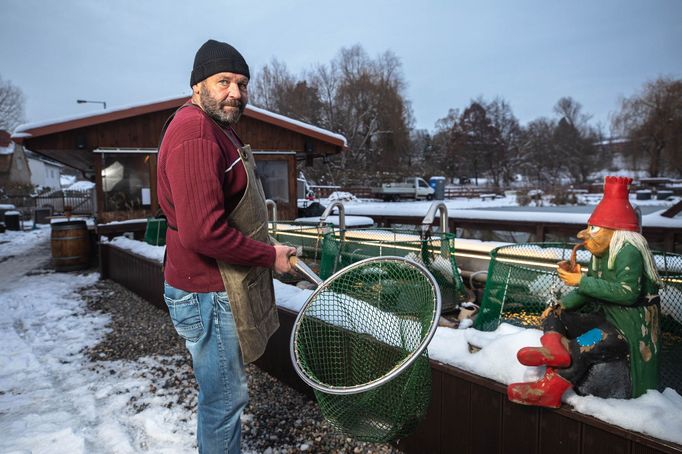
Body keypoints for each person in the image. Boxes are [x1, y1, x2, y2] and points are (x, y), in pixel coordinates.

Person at [157, 39, 297, 453]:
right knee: (223, 401)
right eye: (223, 82)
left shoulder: (215, 128)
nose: (235, 92)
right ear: (197, 86)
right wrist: (269, 255)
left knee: (222, 396)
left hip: (206, 287)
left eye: (242, 83)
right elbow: (203, 233)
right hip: (206, 291)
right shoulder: (196, 132)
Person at [507, 176, 661, 408]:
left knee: (583, 345)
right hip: (605, 319)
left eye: (594, 229)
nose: (586, 234)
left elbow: (627, 293)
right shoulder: (601, 254)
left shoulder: (628, 252)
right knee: (555, 314)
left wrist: (581, 280)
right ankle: (553, 350)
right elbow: (590, 288)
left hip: (626, 329)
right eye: (589, 227)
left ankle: (549, 391)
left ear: (615, 230)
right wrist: (564, 303)